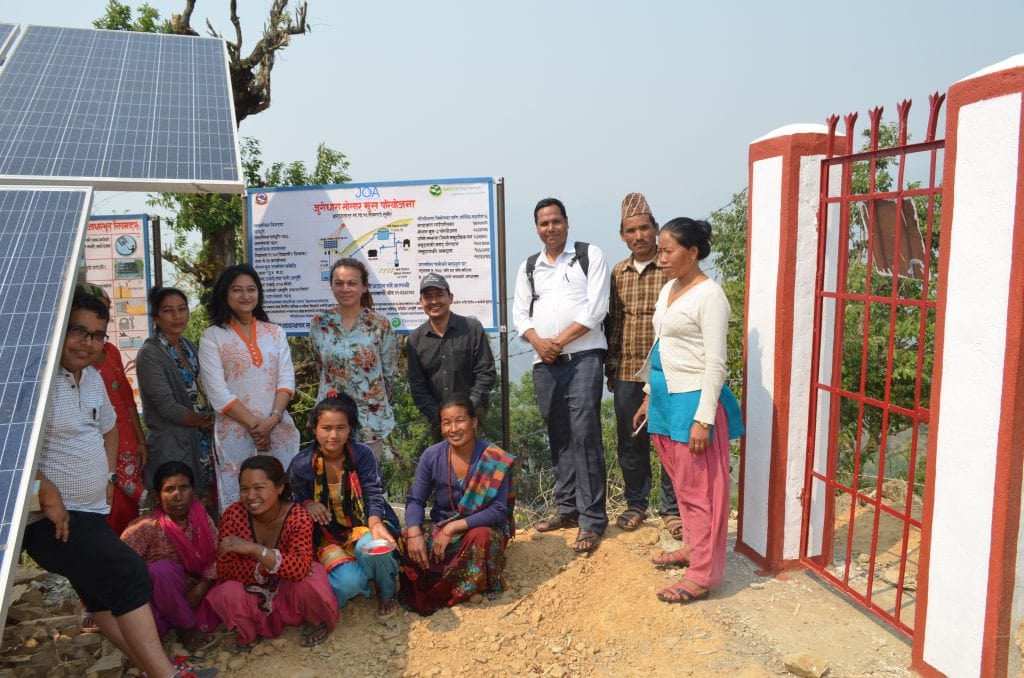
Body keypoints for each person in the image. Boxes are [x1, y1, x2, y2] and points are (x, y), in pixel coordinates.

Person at [22, 291, 216, 678]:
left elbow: (110, 427)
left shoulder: (92, 378)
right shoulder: (34, 382)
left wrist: (109, 476)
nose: (87, 342)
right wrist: (44, 488)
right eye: (78, 331)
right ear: (58, 331)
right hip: (49, 520)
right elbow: (11, 447)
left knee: (100, 595)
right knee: (129, 573)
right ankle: (167, 675)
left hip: (91, 509)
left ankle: (149, 666)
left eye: (96, 335)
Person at [632, 218, 745, 604]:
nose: (660, 257)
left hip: (694, 402)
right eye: (660, 250)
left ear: (693, 252)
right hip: (665, 399)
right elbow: (663, 346)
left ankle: (702, 574)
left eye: (667, 250)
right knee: (682, 485)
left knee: (702, 492)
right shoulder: (669, 290)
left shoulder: (710, 296)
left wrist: (704, 418)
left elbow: (716, 364)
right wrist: (649, 394)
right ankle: (693, 549)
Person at [511, 197, 610, 554]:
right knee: (559, 435)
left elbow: (596, 309)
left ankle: (592, 518)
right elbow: (521, 315)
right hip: (546, 363)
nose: (549, 228)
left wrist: (559, 341)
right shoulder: (528, 267)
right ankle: (567, 508)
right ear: (536, 228)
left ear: (566, 222)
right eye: (543, 223)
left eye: (555, 221)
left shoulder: (588, 255)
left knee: (585, 433)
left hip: (583, 356)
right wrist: (541, 343)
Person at [604, 194, 681, 538]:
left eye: (644, 228)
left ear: (655, 229)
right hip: (626, 371)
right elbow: (613, 323)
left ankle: (672, 508)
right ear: (622, 235)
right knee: (630, 441)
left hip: (667, 372)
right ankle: (636, 503)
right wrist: (611, 368)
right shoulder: (617, 273)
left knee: (666, 437)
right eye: (631, 230)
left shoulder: (671, 270)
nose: (639, 236)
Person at [203, 456, 339, 650]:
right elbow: (224, 569)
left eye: (258, 488)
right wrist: (267, 566)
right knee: (227, 591)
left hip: (288, 591)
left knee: (312, 577)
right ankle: (251, 632)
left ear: (279, 487)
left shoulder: (298, 516)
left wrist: (255, 550)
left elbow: (300, 568)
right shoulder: (233, 515)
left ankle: (315, 620)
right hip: (252, 591)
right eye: (244, 489)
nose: (250, 496)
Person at [287, 391, 401, 618]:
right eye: (326, 428)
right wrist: (307, 504)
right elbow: (291, 501)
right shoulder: (301, 464)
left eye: (341, 428)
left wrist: (376, 523)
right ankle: (370, 576)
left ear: (350, 429)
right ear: (314, 430)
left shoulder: (362, 455)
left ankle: (387, 591)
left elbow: (372, 492)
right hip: (326, 535)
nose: (334, 435)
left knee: (376, 550)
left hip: (363, 525)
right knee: (348, 583)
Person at [199, 264, 300, 513]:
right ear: (225, 294)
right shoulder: (212, 336)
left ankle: (282, 551)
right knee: (241, 499)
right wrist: (256, 427)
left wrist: (272, 421)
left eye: (251, 289)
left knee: (281, 496)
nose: (245, 296)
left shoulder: (276, 333)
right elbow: (217, 393)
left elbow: (286, 381)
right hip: (235, 435)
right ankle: (242, 550)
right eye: (237, 290)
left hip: (277, 431)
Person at [401, 398, 514, 614]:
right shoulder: (431, 456)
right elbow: (416, 500)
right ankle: (456, 580)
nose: (453, 429)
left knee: (482, 537)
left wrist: (452, 528)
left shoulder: (493, 458)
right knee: (408, 545)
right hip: (439, 527)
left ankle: (468, 587)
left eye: (460, 421)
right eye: (446, 423)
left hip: (478, 529)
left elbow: (498, 511)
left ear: (474, 422)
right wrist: (415, 533)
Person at [120, 461, 219, 655]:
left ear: (193, 491)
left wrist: (201, 587)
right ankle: (185, 628)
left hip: (197, 591)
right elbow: (122, 571)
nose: (178, 496)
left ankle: (188, 617)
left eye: (184, 487)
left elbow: (219, 555)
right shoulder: (144, 527)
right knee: (162, 571)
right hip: (157, 599)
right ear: (157, 496)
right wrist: (170, 583)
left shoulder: (201, 518)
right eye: (169, 489)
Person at [76, 284, 147, 535]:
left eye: (104, 310)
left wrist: (140, 440)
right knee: (107, 501)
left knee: (129, 506)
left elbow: (127, 399)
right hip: (99, 443)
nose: (101, 315)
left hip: (126, 439)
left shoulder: (112, 351)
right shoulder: (75, 358)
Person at [310, 258, 396, 460]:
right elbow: (320, 366)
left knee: (368, 482)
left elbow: (389, 374)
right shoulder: (320, 324)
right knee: (331, 481)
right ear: (331, 286)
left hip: (370, 420)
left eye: (352, 283)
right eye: (338, 283)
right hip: (330, 420)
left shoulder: (380, 325)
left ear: (364, 287)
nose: (345, 288)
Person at [136, 287, 215, 507]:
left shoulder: (188, 345)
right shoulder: (150, 353)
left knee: (198, 511)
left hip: (198, 443)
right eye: (168, 311)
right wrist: (206, 420)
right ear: (156, 318)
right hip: (170, 446)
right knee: (173, 512)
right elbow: (168, 408)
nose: (177, 316)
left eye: (182, 309)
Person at [406, 272, 496, 440]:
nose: (434, 301)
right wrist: (441, 417)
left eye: (439, 295)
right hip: (438, 422)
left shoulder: (472, 329)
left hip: (472, 418)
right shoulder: (415, 340)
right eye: (428, 296)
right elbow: (417, 387)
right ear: (421, 302)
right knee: (444, 464)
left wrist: (467, 412)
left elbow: (486, 372)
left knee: (477, 464)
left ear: (451, 297)